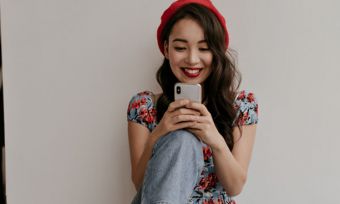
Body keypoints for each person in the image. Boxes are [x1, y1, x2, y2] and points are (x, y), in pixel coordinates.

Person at [127, 0, 259, 203]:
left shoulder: (241, 105)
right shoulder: (144, 106)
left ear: (217, 52)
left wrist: (213, 138)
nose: (192, 59)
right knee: (182, 140)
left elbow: (235, 186)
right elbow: (139, 184)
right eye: (180, 48)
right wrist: (160, 133)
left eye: (204, 48)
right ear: (166, 48)